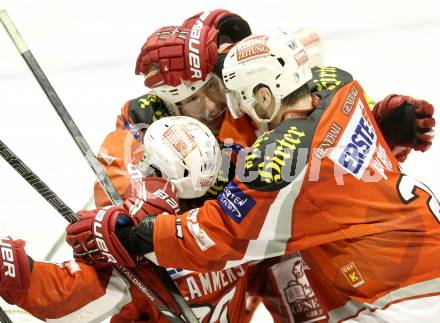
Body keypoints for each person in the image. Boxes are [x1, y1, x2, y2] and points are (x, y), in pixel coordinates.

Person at [66, 30, 439, 322]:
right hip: (414, 257)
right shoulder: (339, 84)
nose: (237, 110)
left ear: (264, 95)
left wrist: (133, 234)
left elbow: (217, 234)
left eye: (240, 97)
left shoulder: (278, 166)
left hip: (405, 301)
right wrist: (383, 129)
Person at [0, 116, 258, 322]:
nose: (139, 166)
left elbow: (70, 299)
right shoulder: (237, 229)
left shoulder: (147, 248)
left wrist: (16, 270)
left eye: (147, 162)